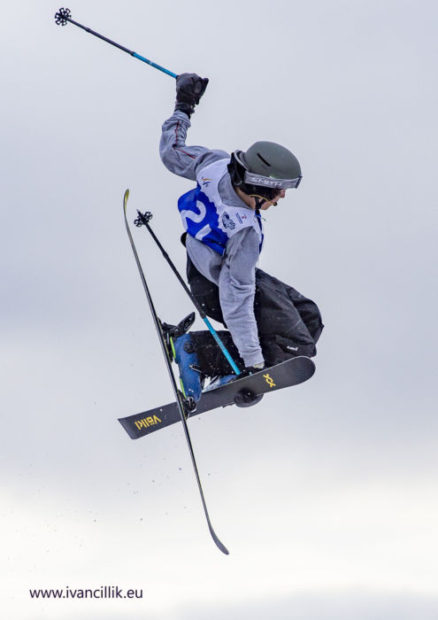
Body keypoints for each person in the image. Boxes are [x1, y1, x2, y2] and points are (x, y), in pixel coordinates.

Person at [159, 73, 323, 402]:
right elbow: (237, 300)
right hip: (218, 285)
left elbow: (172, 153)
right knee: (297, 349)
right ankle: (198, 353)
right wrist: (254, 369)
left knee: (309, 316)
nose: (281, 198)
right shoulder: (245, 230)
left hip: (207, 266)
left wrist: (184, 104)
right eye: (278, 191)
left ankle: (227, 360)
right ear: (258, 186)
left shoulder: (215, 165)